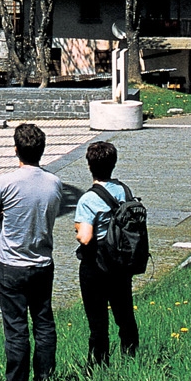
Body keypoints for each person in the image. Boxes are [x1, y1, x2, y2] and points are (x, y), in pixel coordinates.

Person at [0, 121, 63, 381]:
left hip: (11, 264)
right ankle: (45, 380)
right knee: (44, 323)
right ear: (42, 150)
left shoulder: (4, 182)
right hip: (42, 262)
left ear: (16, 150)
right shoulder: (55, 183)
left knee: (16, 327)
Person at [73, 139, 140, 366]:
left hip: (97, 265)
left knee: (98, 321)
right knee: (125, 316)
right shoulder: (124, 190)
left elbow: (86, 236)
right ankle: (131, 358)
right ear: (114, 163)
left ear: (89, 166)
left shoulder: (88, 199)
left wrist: (77, 230)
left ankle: (99, 365)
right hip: (122, 262)